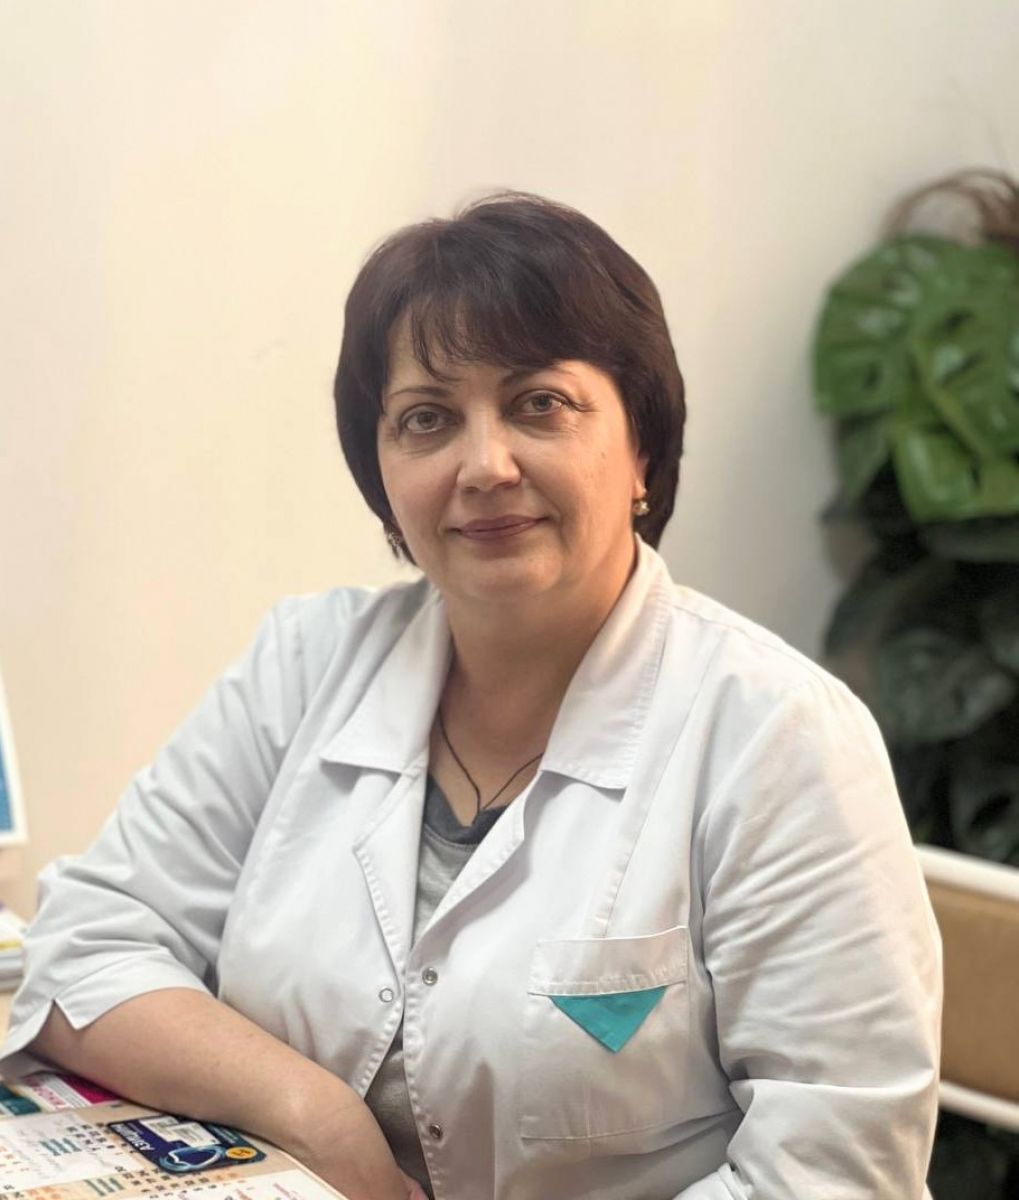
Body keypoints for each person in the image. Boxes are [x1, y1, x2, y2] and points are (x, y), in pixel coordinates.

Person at [1, 192, 941, 1200]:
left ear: (641, 449)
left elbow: (835, 1170)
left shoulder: (777, 736)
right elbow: (88, 943)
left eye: (540, 404)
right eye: (427, 419)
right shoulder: (305, 664)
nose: (484, 466)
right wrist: (318, 1119)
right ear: (381, 475)